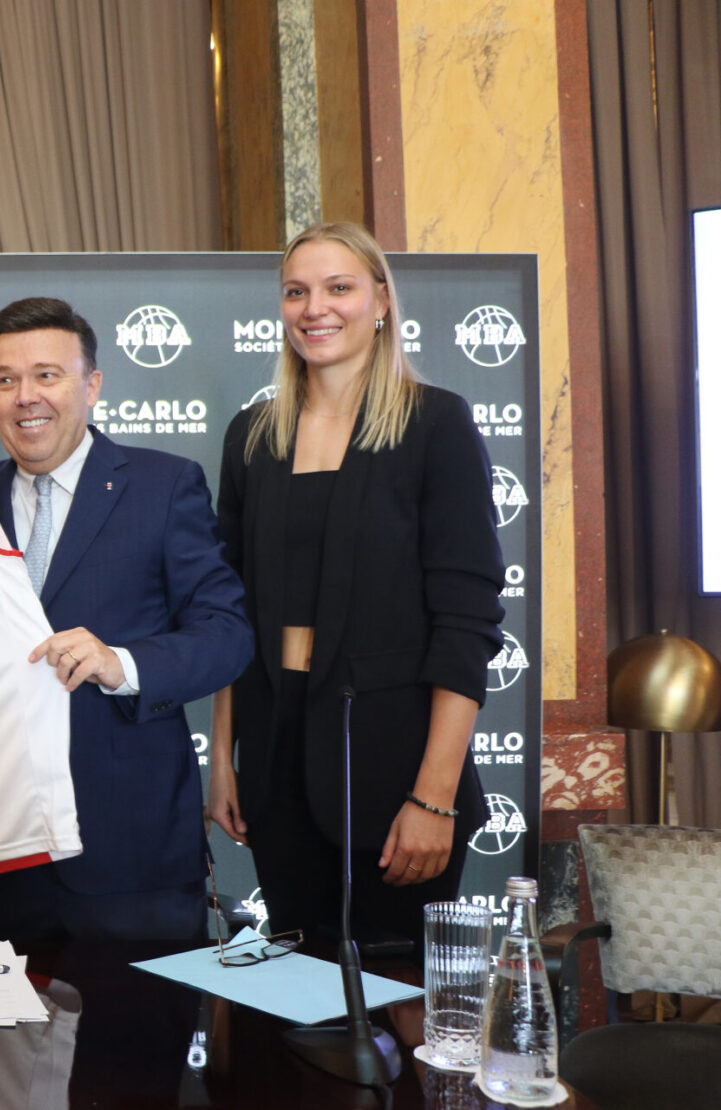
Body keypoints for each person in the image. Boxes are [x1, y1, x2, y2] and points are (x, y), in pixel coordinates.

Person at [0, 297, 252, 942]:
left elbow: (227, 635)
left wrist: (123, 664)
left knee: (137, 1041)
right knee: (1, 1043)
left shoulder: (164, 486)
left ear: (92, 385)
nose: (26, 396)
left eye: (47, 375)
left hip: (130, 859)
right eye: (6, 380)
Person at [207, 222, 506, 953]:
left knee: (401, 1009)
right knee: (304, 1013)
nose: (316, 308)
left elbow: (465, 623)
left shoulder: (435, 424)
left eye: (338, 287)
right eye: (296, 292)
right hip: (275, 771)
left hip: (396, 771)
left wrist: (432, 796)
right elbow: (226, 615)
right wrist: (222, 759)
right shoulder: (251, 436)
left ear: (379, 301)